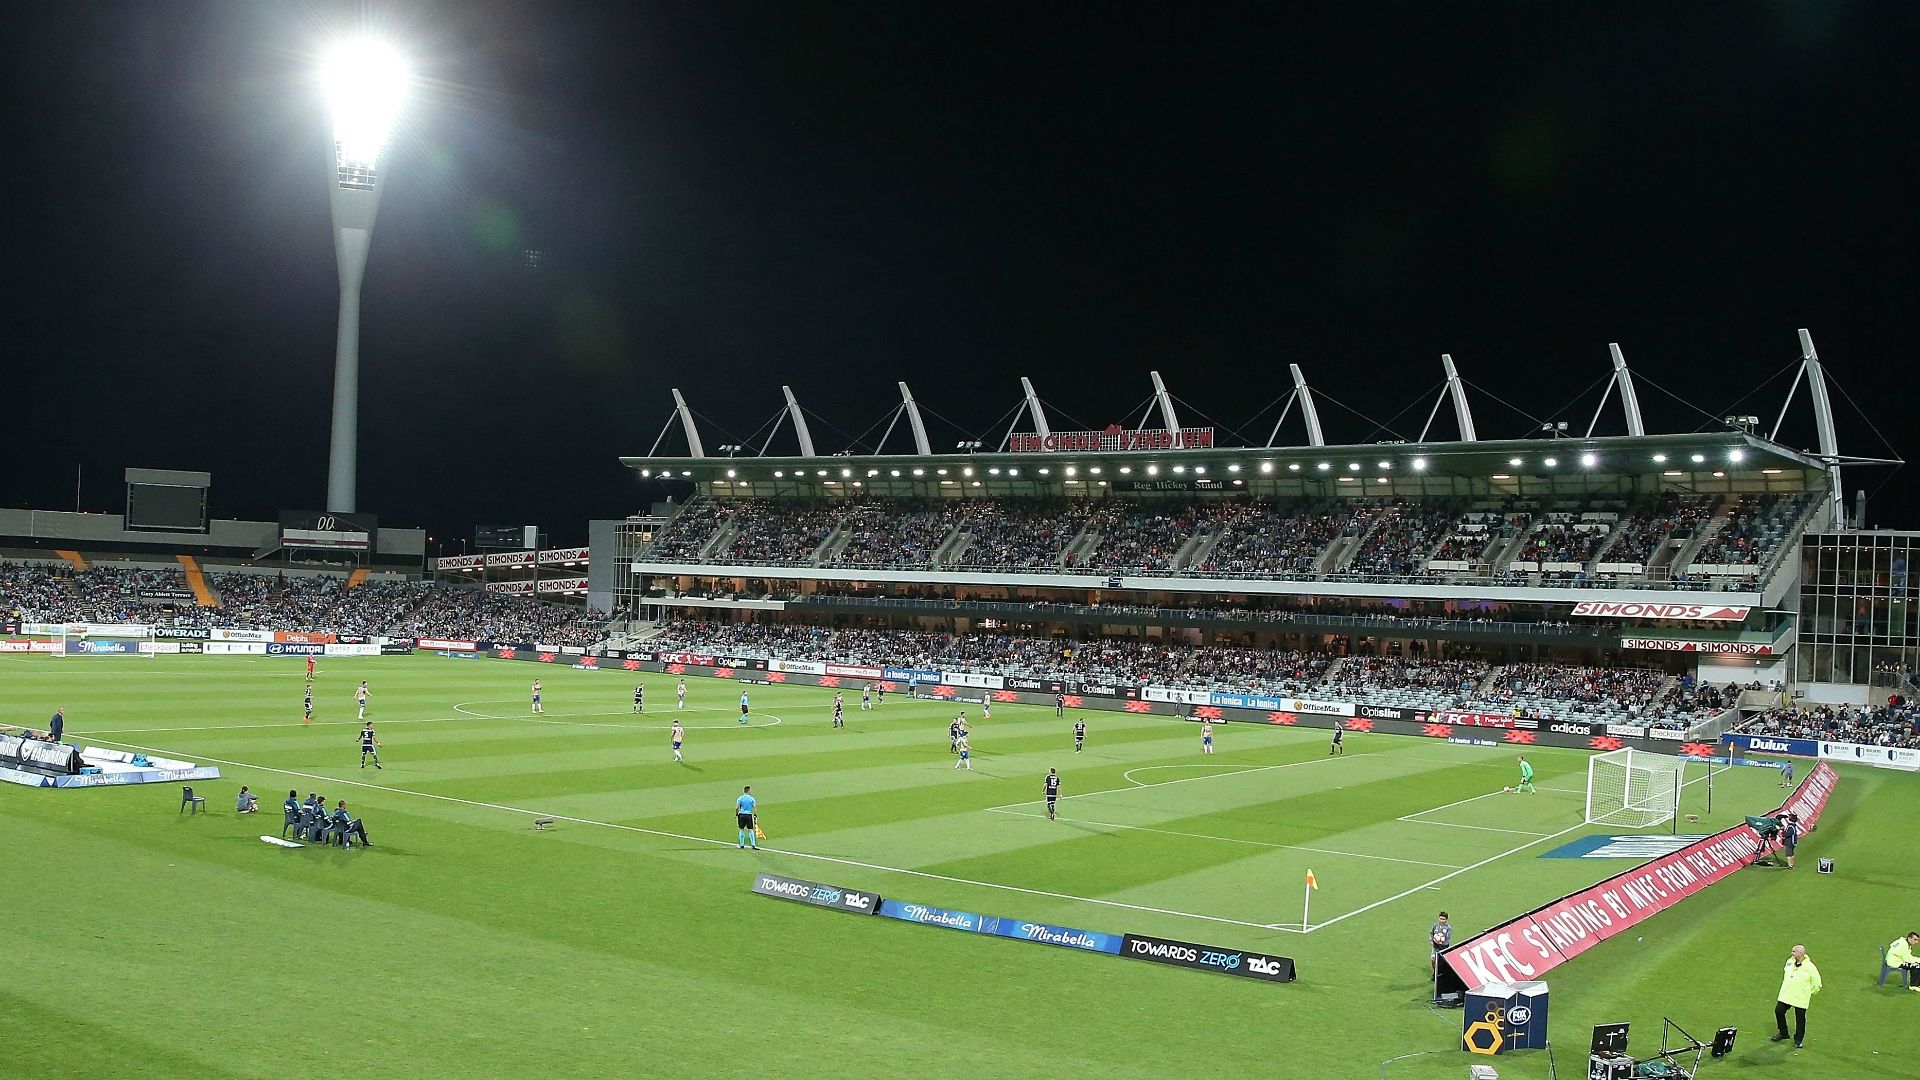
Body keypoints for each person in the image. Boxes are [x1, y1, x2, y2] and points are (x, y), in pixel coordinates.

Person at [1772, 944, 1821, 1048]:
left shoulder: (1810, 967)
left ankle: (1798, 1040)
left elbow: (1817, 984)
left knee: (1800, 1018)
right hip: (1787, 994)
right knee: (1779, 1011)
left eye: (1794, 951)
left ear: (1800, 953)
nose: (1792, 953)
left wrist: (1808, 992)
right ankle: (1783, 1033)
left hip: (1800, 997)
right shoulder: (1789, 962)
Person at [1430, 911, 1452, 977]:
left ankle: (1441, 974)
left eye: (1443, 919)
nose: (1442, 920)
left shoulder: (1448, 928)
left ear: (1446, 920)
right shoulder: (1435, 925)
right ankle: (1435, 972)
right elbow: (1431, 933)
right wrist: (1431, 940)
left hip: (1444, 947)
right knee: (1433, 960)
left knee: (1441, 963)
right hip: (1436, 946)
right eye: (1440, 919)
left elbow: (1448, 939)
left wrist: (1441, 942)